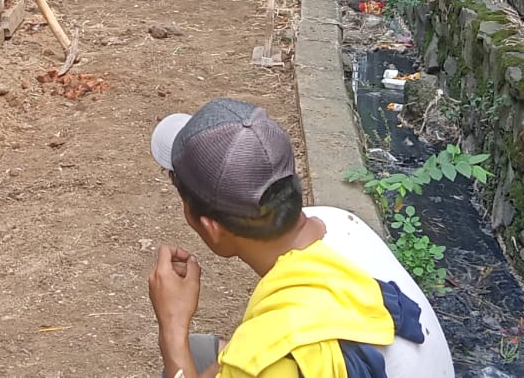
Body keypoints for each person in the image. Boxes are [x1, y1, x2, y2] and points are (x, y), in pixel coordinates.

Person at [148, 99, 455, 378]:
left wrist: (172, 329)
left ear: (211, 227)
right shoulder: (338, 224)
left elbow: (269, 355)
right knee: (202, 350)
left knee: (184, 353)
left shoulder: (276, 358)